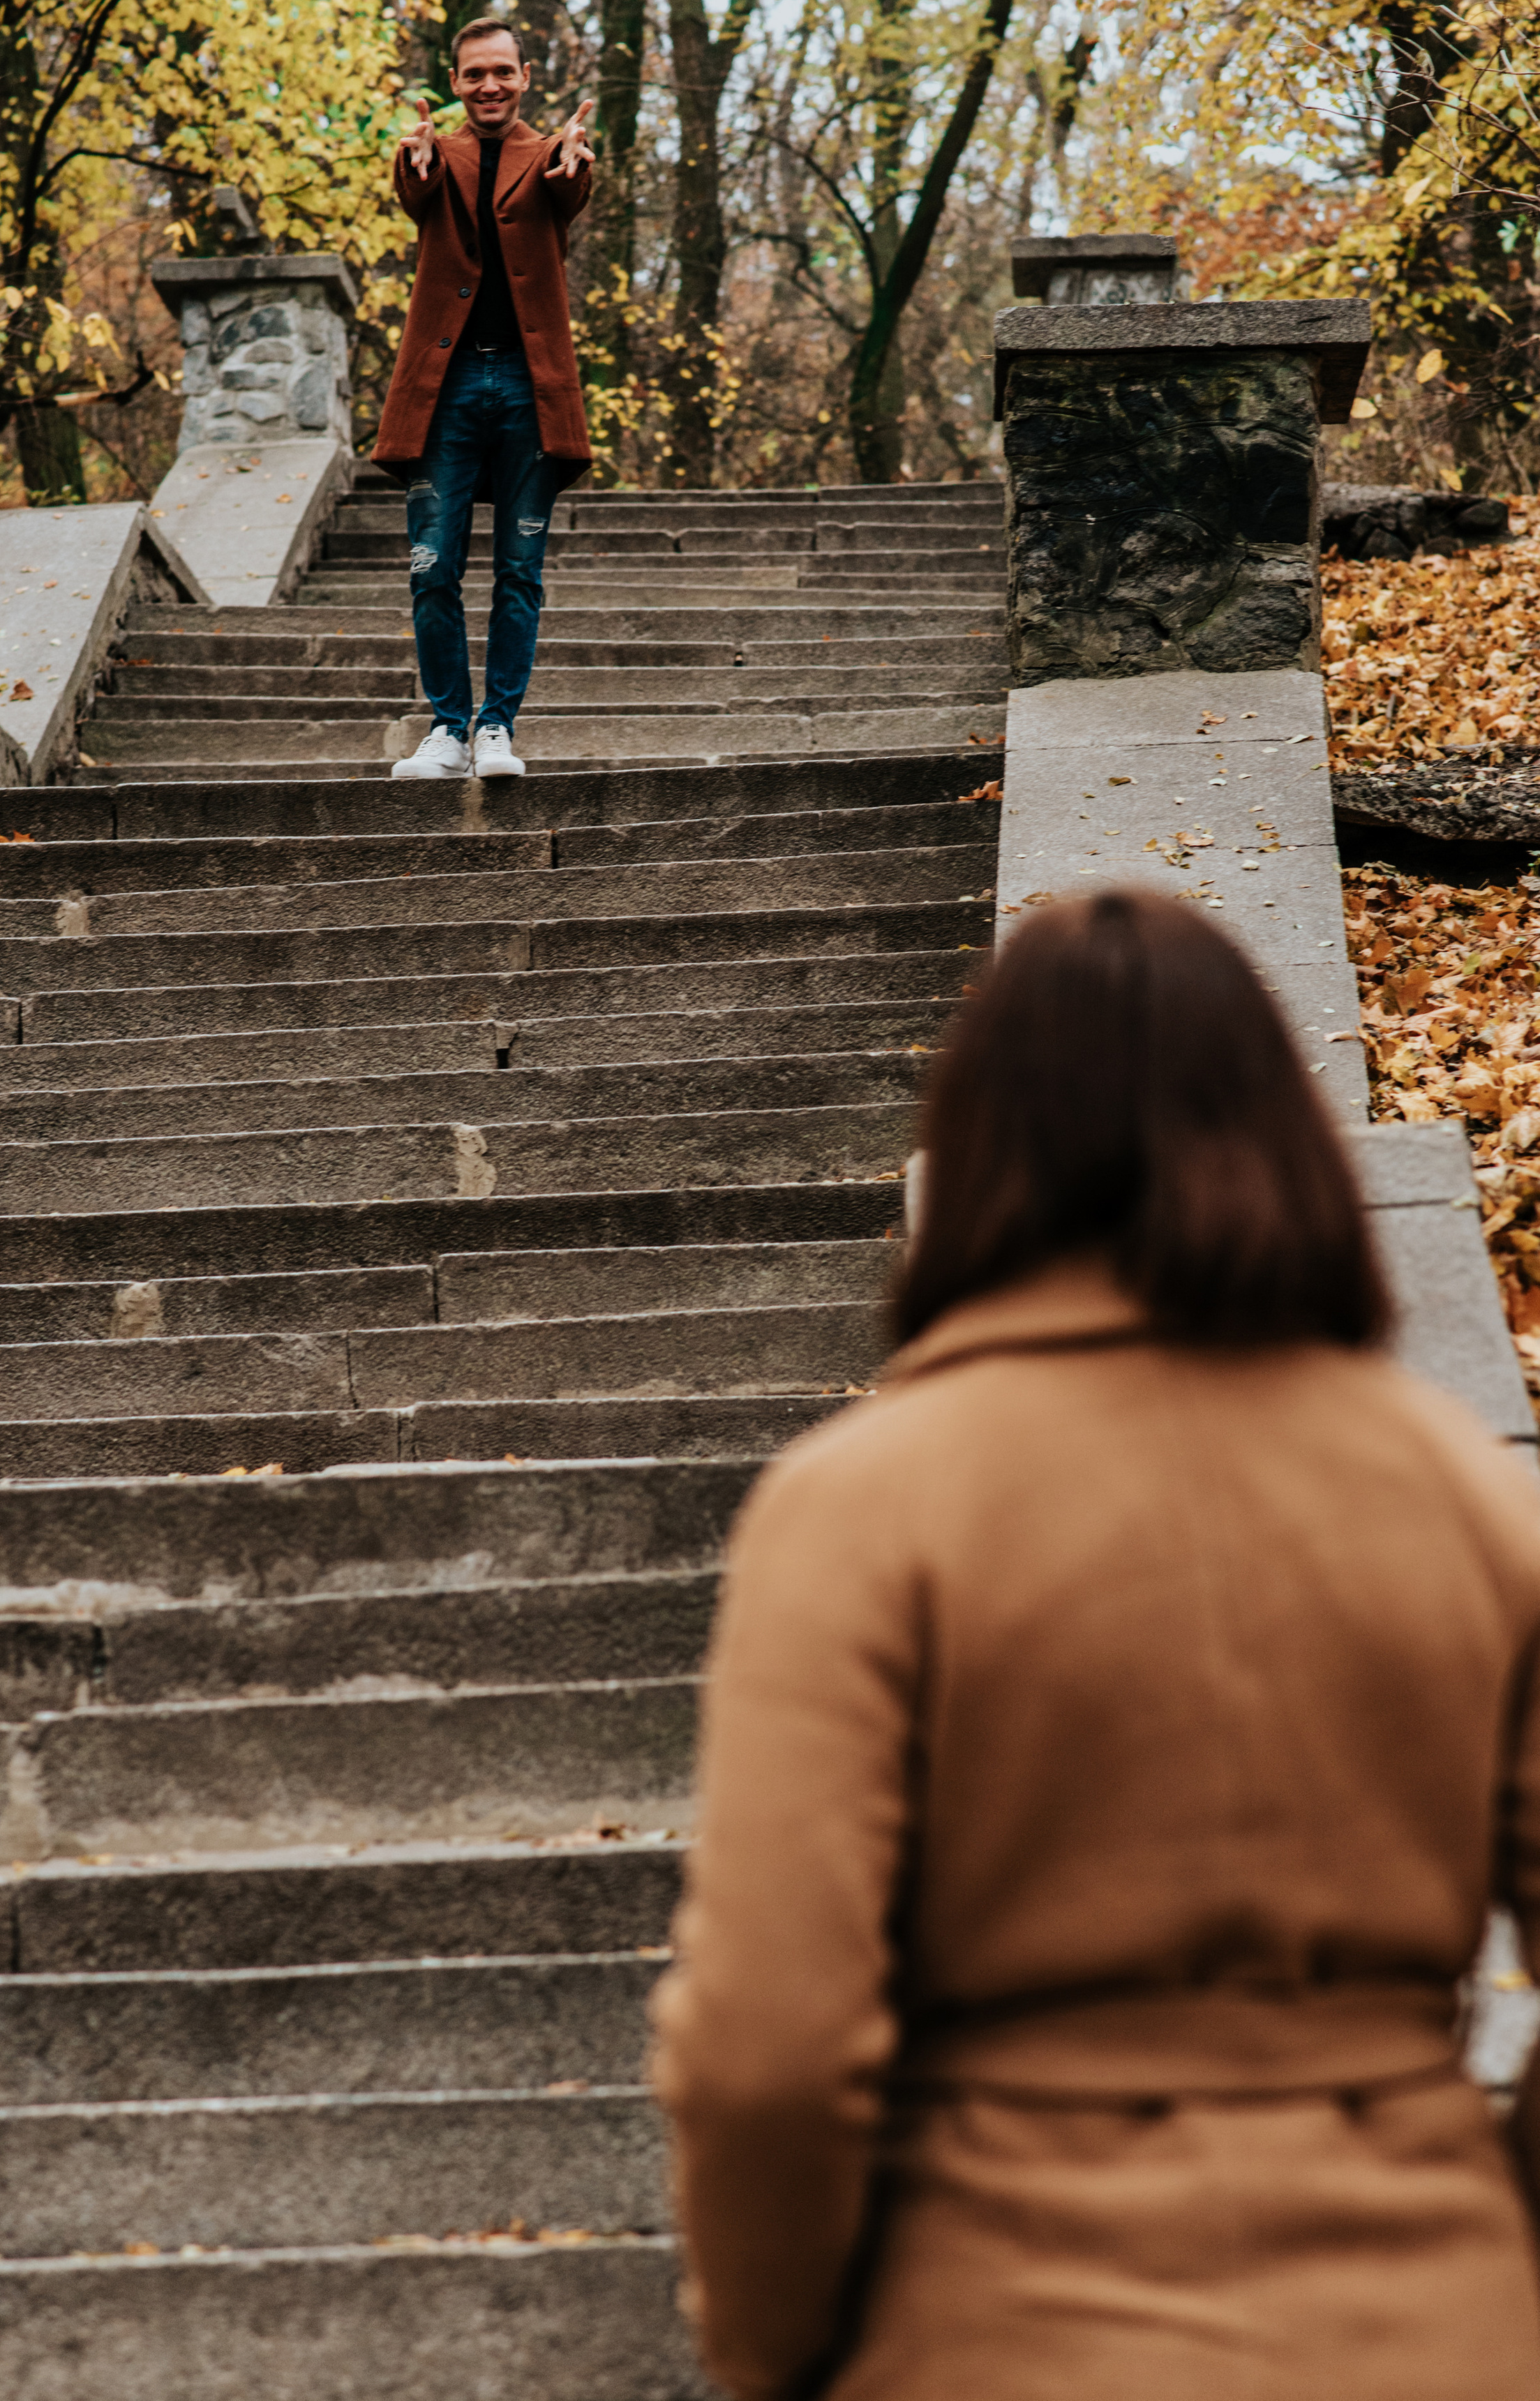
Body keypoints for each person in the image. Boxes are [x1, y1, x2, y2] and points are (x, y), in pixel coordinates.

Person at [652, 888, 1540, 2401]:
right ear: (1279, 1138)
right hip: (1429, 2325)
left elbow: (768, 2049)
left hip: (997, 2320)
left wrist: (779, 2349)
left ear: (979, 1153)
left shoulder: (862, 1511)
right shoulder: (1461, 1494)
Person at [373, 17, 597, 781]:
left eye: (502, 71)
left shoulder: (549, 156)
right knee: (432, 566)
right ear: (456, 82)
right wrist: (418, 161)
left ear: (525, 75)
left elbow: (569, 197)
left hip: (531, 389)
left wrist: (572, 166)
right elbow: (415, 194)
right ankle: (446, 728)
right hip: (447, 388)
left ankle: (496, 726)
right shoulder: (435, 155)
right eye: (474, 75)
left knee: (518, 568)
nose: (489, 85)